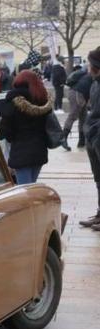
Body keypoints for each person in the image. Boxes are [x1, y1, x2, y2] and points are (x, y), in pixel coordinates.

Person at [0, 70, 53, 184]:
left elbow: (6, 130)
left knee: (24, 189)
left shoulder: (12, 99)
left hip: (20, 151)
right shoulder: (42, 98)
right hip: (39, 150)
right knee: (31, 184)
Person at [79, 47, 100, 230]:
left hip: (97, 134)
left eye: (90, 63)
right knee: (98, 178)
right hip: (94, 136)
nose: (87, 65)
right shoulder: (95, 83)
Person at [62, 62, 91, 150]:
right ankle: (63, 139)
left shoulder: (90, 69)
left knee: (83, 117)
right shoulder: (93, 70)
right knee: (73, 115)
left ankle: (81, 141)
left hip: (79, 93)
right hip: (77, 93)